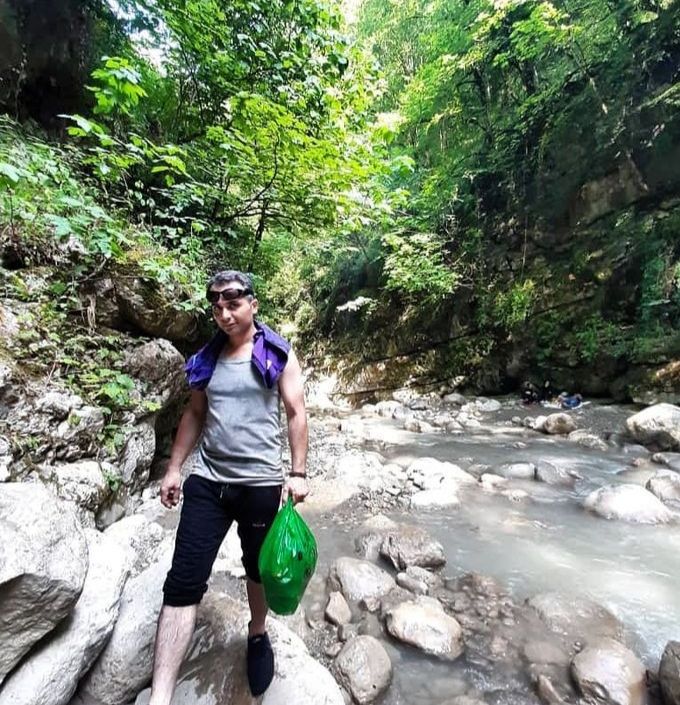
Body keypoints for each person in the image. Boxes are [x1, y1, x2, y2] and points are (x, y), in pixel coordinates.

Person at [148, 270, 309, 705]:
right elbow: (195, 414)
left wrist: (298, 473)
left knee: (257, 568)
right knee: (182, 582)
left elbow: (296, 411)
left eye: (233, 304)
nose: (224, 314)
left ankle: (257, 632)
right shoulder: (206, 358)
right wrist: (174, 468)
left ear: (253, 305)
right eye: (217, 307)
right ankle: (160, 697)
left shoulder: (276, 353)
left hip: (260, 483)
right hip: (208, 481)